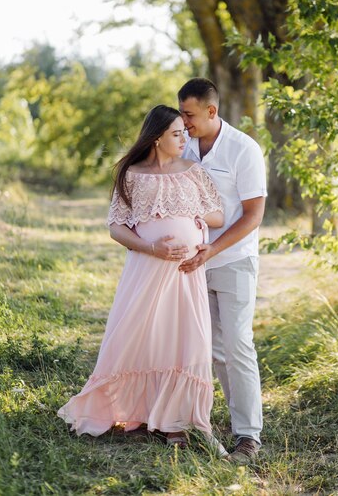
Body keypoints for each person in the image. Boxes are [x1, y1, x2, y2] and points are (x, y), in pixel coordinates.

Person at [57, 105, 227, 454]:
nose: (185, 138)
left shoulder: (194, 172)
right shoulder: (132, 175)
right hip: (146, 269)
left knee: (185, 339)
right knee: (143, 337)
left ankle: (179, 422)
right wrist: (151, 246)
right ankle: (141, 412)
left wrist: (191, 213)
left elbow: (218, 217)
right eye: (176, 134)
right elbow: (116, 227)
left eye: (184, 131)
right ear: (156, 138)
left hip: (185, 272)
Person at [178, 79, 267, 464]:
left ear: (212, 112)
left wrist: (213, 248)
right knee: (213, 351)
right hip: (194, 265)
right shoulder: (182, 144)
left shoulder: (243, 149)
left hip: (233, 260)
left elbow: (254, 215)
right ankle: (225, 423)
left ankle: (249, 437)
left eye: (190, 114)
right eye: (182, 113)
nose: (184, 121)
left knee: (238, 345)